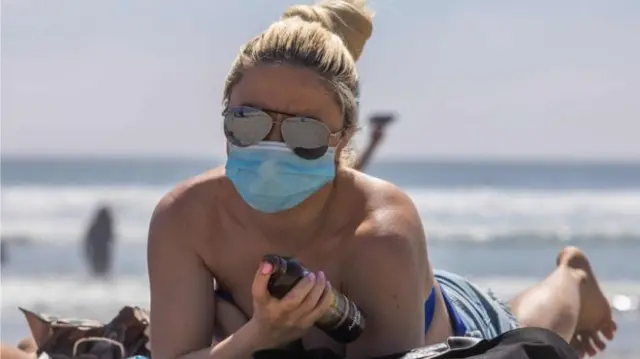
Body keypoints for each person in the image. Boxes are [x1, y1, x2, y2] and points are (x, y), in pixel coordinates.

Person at [147, 1, 616, 358]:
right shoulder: (187, 217)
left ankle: (571, 276)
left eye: (304, 131)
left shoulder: (380, 231)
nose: (271, 147)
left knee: (530, 326)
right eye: (247, 121)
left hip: (443, 322)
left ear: (344, 136)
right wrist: (259, 334)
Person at [83, 204, 115, 277]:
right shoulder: (106, 226)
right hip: (101, 252)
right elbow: (111, 240)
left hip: (99, 252)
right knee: (101, 272)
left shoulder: (98, 226)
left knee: (99, 272)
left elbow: (88, 241)